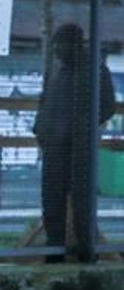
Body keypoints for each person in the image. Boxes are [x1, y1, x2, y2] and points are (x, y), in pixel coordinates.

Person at [35, 24, 117, 259]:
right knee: (51, 196)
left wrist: (84, 126)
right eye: (55, 46)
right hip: (54, 145)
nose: (57, 50)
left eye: (61, 45)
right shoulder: (56, 69)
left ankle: (86, 246)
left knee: (82, 198)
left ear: (75, 45)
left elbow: (108, 106)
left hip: (80, 146)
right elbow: (44, 100)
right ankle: (54, 247)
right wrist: (40, 128)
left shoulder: (95, 71)